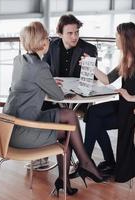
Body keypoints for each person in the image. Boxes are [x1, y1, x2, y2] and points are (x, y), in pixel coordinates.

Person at [3, 21, 103, 195]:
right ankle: (82, 166)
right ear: (42, 42)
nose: (49, 41)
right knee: (67, 130)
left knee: (69, 115)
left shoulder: (19, 60)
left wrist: (47, 82)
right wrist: (48, 82)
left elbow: (31, 83)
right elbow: (58, 95)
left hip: (9, 127)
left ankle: (69, 177)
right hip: (22, 132)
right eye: (47, 38)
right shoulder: (41, 67)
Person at [83, 22, 135, 182]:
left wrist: (131, 97)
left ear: (124, 39)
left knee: (94, 121)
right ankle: (89, 162)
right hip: (125, 106)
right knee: (91, 113)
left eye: (117, 36)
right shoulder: (126, 60)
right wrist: (90, 66)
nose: (115, 39)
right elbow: (107, 80)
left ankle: (86, 164)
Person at [37, 14, 98, 172]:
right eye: (70, 33)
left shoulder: (89, 49)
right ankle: (44, 153)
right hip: (54, 96)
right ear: (60, 34)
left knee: (68, 114)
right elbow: (43, 71)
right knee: (40, 107)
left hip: (78, 98)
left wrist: (88, 66)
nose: (74, 36)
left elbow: (90, 80)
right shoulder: (51, 46)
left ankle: (71, 161)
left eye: (76, 32)